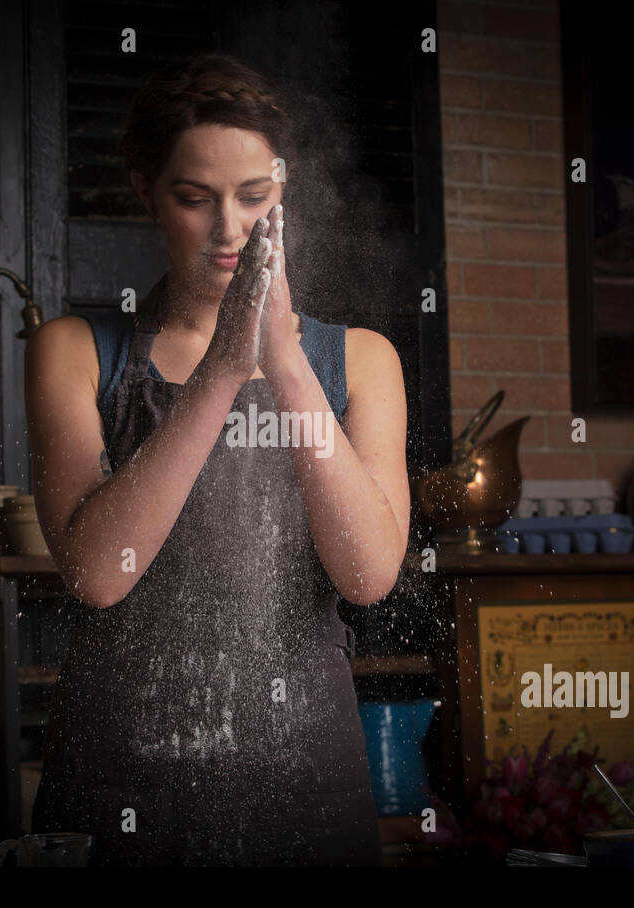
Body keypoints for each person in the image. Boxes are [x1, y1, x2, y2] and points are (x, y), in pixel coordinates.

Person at [26, 53, 409, 865]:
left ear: (285, 190)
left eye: (254, 198)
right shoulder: (75, 353)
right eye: (194, 199)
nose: (229, 229)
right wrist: (225, 369)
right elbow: (98, 572)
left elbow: (368, 573)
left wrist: (287, 362)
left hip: (307, 787)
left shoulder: (363, 361)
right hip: (120, 785)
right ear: (145, 189)